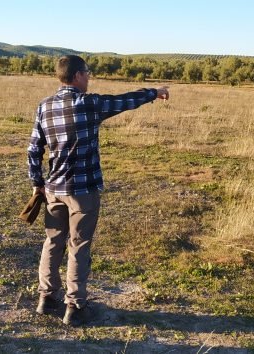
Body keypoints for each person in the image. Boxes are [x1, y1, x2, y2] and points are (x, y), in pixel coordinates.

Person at [27, 55, 169, 326]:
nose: (89, 78)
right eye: (87, 73)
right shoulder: (89, 103)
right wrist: (154, 93)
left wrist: (37, 183)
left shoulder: (44, 107)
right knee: (78, 245)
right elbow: (124, 100)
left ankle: (46, 298)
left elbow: (34, 149)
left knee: (53, 242)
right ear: (78, 75)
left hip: (53, 189)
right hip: (83, 191)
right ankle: (75, 305)